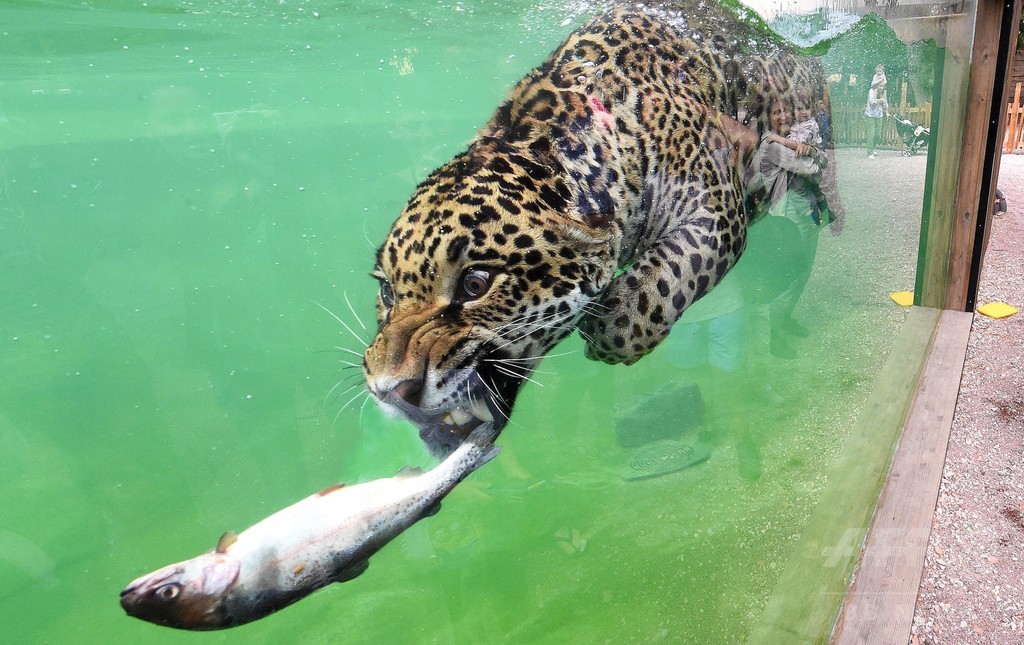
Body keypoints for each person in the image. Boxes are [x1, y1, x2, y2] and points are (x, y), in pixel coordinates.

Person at [865, 67, 889, 158]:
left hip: (879, 115)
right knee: (871, 134)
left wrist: (887, 112)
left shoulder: (884, 92)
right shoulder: (871, 91)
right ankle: (870, 152)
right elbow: (872, 102)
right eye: (880, 86)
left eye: (882, 86)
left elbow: (885, 102)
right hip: (870, 115)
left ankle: (873, 148)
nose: (881, 88)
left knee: (878, 135)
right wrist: (880, 100)